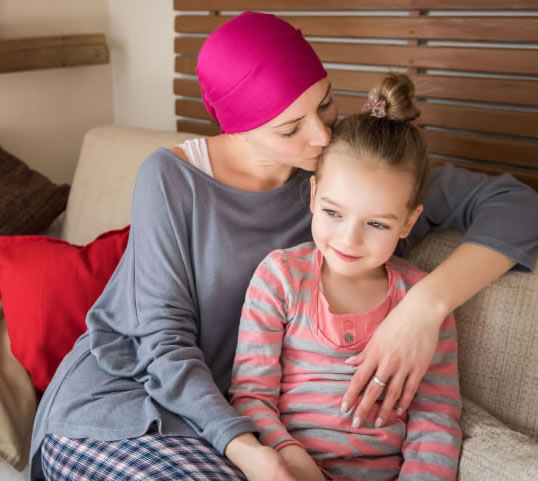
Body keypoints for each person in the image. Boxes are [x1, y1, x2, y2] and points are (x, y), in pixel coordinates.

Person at [30, 11, 537, 481]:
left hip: (235, 424)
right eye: (290, 128)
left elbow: (518, 206)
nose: (320, 136)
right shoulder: (171, 179)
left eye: (325, 104)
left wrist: (425, 307)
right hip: (122, 408)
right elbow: (163, 345)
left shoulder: (348, 176)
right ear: (238, 129)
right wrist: (252, 450)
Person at [229, 73, 461, 481]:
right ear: (314, 195)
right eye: (334, 213)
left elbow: (436, 419)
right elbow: (251, 396)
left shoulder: (422, 302)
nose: (348, 240)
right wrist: (287, 454)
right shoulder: (280, 277)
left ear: (408, 222)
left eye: (376, 223)